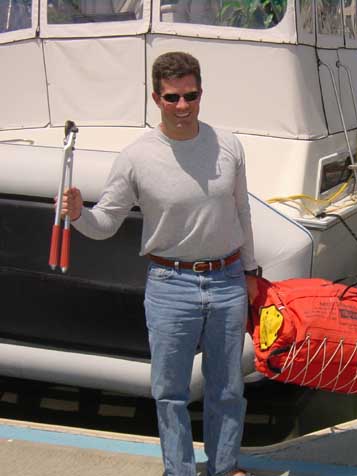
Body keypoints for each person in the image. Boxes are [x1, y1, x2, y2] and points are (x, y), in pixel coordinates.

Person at [62, 51, 257, 476]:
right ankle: (180, 470)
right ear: (156, 98)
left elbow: (242, 212)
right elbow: (106, 223)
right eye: (172, 98)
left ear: (201, 93)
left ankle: (224, 467)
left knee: (228, 388)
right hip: (170, 284)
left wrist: (251, 272)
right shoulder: (135, 156)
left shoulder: (230, 145)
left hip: (227, 280)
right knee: (170, 392)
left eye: (191, 95)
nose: (183, 106)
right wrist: (79, 214)